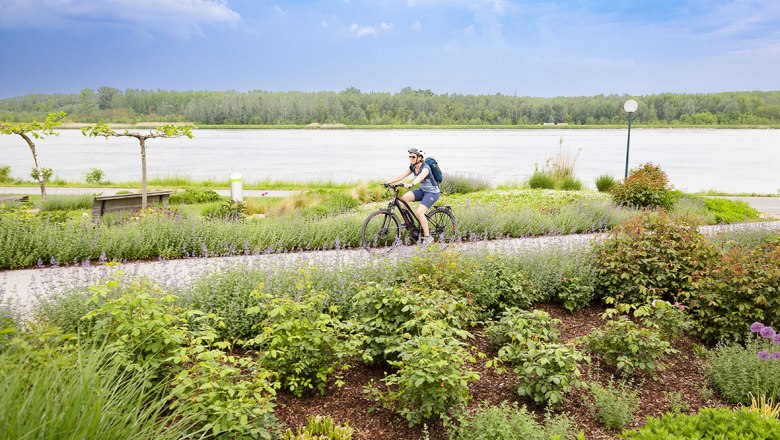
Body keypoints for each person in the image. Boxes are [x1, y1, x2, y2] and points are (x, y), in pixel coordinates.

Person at [386, 148, 440, 246]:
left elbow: (420, 177)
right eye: (410, 156)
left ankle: (428, 237)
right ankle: (409, 223)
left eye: (413, 157)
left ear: (419, 158)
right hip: (423, 191)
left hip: (432, 193)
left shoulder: (426, 168)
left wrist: (411, 184)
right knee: (404, 198)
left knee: (419, 212)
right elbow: (402, 175)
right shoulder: (413, 167)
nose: (411, 158)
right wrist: (389, 182)